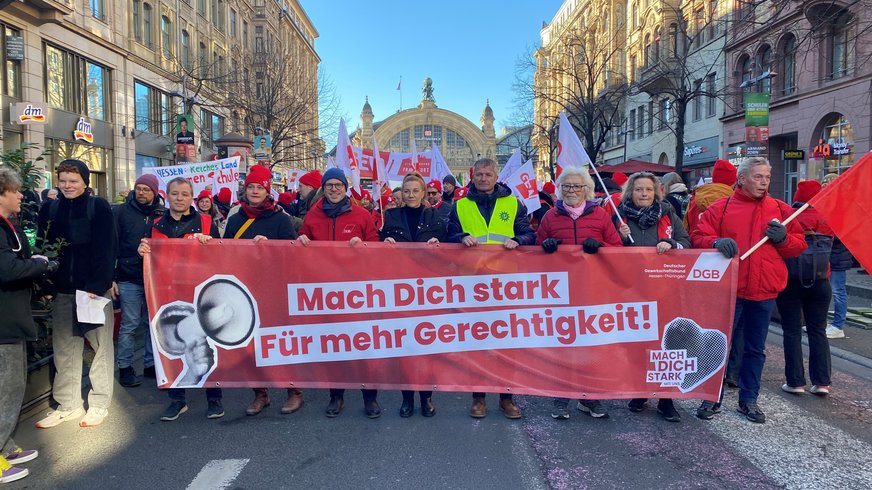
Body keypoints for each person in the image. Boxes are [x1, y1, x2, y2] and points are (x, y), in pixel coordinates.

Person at [693, 157, 806, 423]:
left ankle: (749, 399)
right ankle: (711, 397)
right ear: (742, 179)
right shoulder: (721, 208)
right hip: (729, 289)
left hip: (764, 290)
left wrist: (784, 239)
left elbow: (799, 244)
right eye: (758, 177)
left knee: (755, 348)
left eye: (766, 177)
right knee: (718, 346)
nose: (764, 182)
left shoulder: (780, 209)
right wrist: (715, 242)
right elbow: (698, 236)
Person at [446, 157, 536, 419]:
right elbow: (449, 235)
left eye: (488, 174)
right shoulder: (459, 206)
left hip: (505, 283)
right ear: (472, 177)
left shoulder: (513, 203)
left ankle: (506, 397)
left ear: (496, 177)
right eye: (479, 175)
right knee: (478, 341)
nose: (483, 179)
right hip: (473, 283)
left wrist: (518, 240)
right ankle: (479, 397)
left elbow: (528, 233)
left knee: (505, 342)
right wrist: (461, 237)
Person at [535, 166, 622, 420]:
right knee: (563, 345)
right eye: (566, 186)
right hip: (560, 293)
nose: (571, 190)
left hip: (592, 290)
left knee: (591, 345)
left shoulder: (600, 216)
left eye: (576, 186)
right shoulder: (550, 216)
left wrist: (601, 246)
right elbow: (535, 250)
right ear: (560, 190)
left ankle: (590, 397)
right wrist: (545, 246)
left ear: (587, 190)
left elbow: (616, 248)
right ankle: (561, 398)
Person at [35, 160, 117, 428]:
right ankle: (67, 404)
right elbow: (42, 247)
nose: (68, 185)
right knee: (64, 349)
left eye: (73, 180)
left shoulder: (99, 207)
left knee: (100, 347)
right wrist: (46, 285)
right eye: (63, 180)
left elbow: (107, 249)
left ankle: (99, 403)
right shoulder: (49, 207)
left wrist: (97, 285)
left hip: (91, 291)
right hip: (61, 290)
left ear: (85, 181)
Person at [298, 167, 381, 418]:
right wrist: (301, 240)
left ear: (346, 188)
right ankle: (336, 396)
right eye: (330, 185)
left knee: (364, 347)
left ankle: (370, 398)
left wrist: (364, 247)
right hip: (326, 293)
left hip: (357, 292)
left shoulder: (361, 214)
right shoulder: (313, 215)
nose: (334, 189)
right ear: (323, 188)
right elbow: (303, 241)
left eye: (339, 185)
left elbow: (376, 246)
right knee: (334, 347)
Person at [136, 178, 221, 421]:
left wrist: (211, 244)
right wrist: (142, 250)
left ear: (191, 196)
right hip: (167, 291)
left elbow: (221, 255)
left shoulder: (205, 222)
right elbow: (146, 254)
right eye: (175, 193)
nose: (179, 198)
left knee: (208, 343)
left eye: (184, 194)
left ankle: (214, 398)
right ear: (168, 195)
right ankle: (177, 399)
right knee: (170, 345)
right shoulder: (155, 225)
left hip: (198, 289)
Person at [612, 172, 691, 422]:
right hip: (631, 290)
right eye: (638, 190)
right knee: (638, 345)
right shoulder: (618, 216)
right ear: (630, 192)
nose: (644, 194)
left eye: (648, 189)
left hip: (664, 290)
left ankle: (666, 399)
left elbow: (686, 243)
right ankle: (641, 391)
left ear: (655, 192)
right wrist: (620, 238)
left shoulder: (668, 214)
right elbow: (607, 249)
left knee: (665, 343)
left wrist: (671, 244)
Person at [224, 165, 300, 416]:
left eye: (260, 187)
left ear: (268, 191)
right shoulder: (235, 220)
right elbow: (224, 253)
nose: (255, 191)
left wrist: (271, 249)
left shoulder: (280, 219)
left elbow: (291, 253)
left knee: (282, 341)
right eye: (251, 187)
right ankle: (260, 394)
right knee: (251, 343)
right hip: (245, 289)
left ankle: (294, 390)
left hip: (275, 288)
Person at [0, 167, 51, 483]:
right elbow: (7, 269)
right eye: (15, 190)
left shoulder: (9, 224)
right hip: (3, 320)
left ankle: (5, 445)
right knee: (6, 388)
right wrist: (38, 265)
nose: (21, 194)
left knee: (14, 384)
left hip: (12, 317)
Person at [380, 173, 445, 417]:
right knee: (405, 347)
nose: (410, 195)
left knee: (426, 347)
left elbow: (448, 246)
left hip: (427, 291)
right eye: (406, 191)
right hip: (400, 290)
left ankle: (426, 397)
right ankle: (406, 398)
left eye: (415, 191)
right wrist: (383, 241)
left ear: (423, 192)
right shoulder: (392, 216)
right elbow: (378, 245)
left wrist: (440, 245)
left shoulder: (433, 216)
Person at [777, 180, 834, 397]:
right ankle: (822, 382)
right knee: (818, 330)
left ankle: (795, 382)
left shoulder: (788, 216)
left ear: (797, 194)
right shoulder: (826, 218)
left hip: (791, 280)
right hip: (821, 281)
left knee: (791, 331)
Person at [112, 174, 165, 388]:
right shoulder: (121, 213)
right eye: (139, 188)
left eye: (146, 189)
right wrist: (112, 276)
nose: (142, 192)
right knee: (129, 324)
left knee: (152, 323)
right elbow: (112, 245)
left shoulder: (162, 214)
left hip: (155, 278)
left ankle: (150, 363)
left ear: (155, 192)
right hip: (129, 276)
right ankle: (124, 367)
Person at [821, 173, 851, 339]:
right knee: (825, 290)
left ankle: (838, 326)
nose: (826, 186)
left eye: (829, 183)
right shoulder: (826, 204)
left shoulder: (842, 206)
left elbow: (843, 232)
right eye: (824, 183)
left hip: (838, 255)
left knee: (838, 291)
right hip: (827, 254)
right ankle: (824, 323)